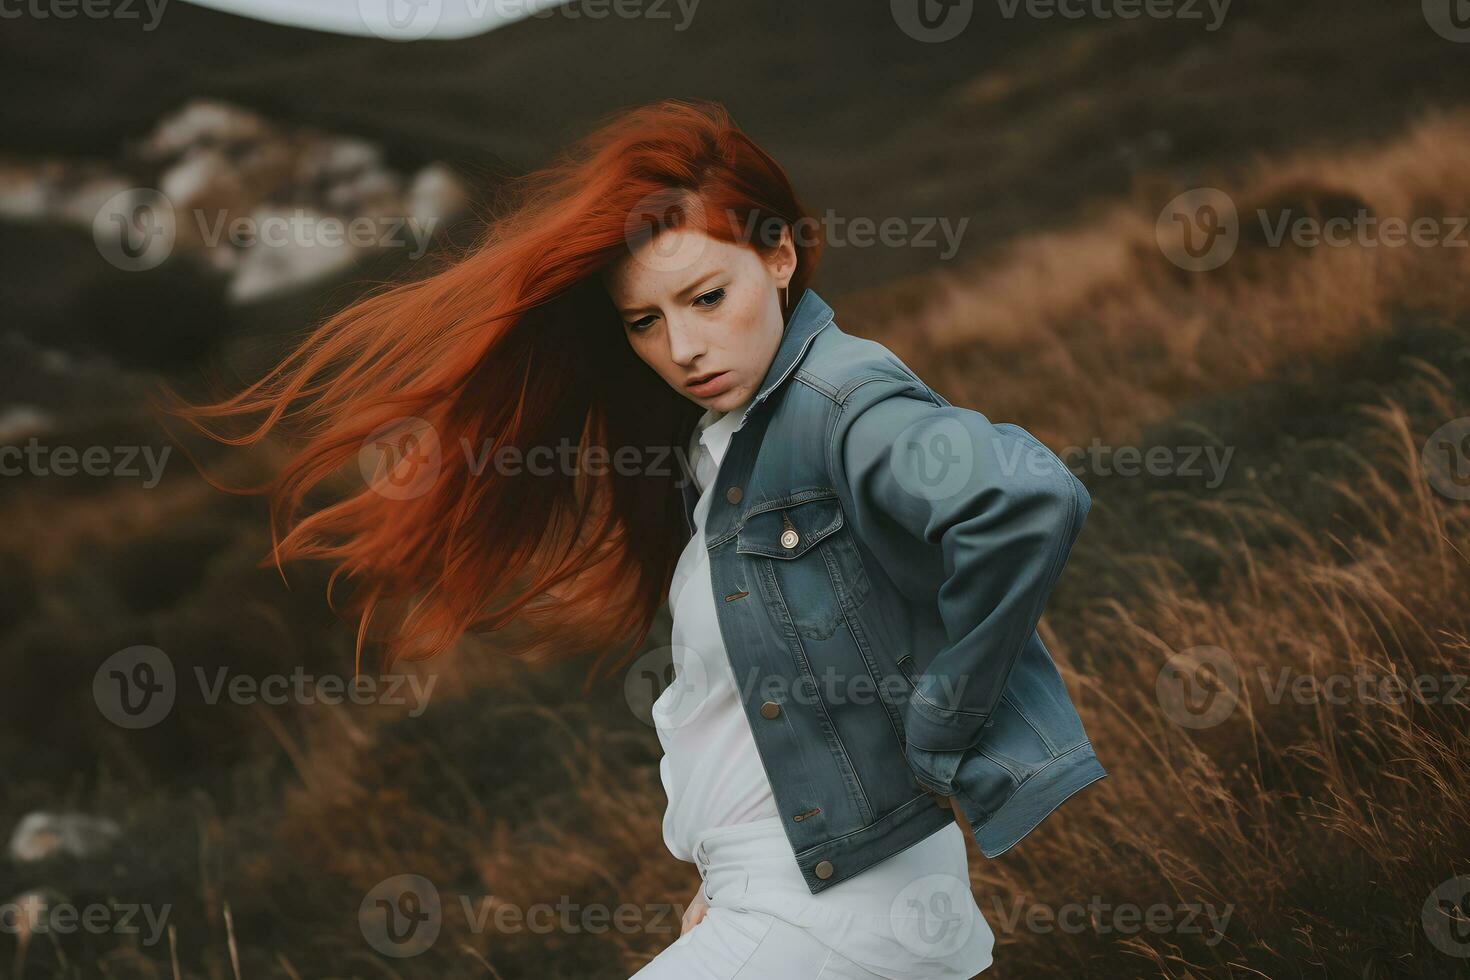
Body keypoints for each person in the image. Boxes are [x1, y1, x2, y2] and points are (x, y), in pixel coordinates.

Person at [165, 99, 1105, 978]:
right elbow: (759, 705)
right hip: (783, 894)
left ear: (778, 257)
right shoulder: (729, 446)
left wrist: (946, 715)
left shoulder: (840, 402)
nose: (682, 348)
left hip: (841, 911)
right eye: (645, 323)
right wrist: (723, 874)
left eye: (706, 297)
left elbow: (1021, 502)